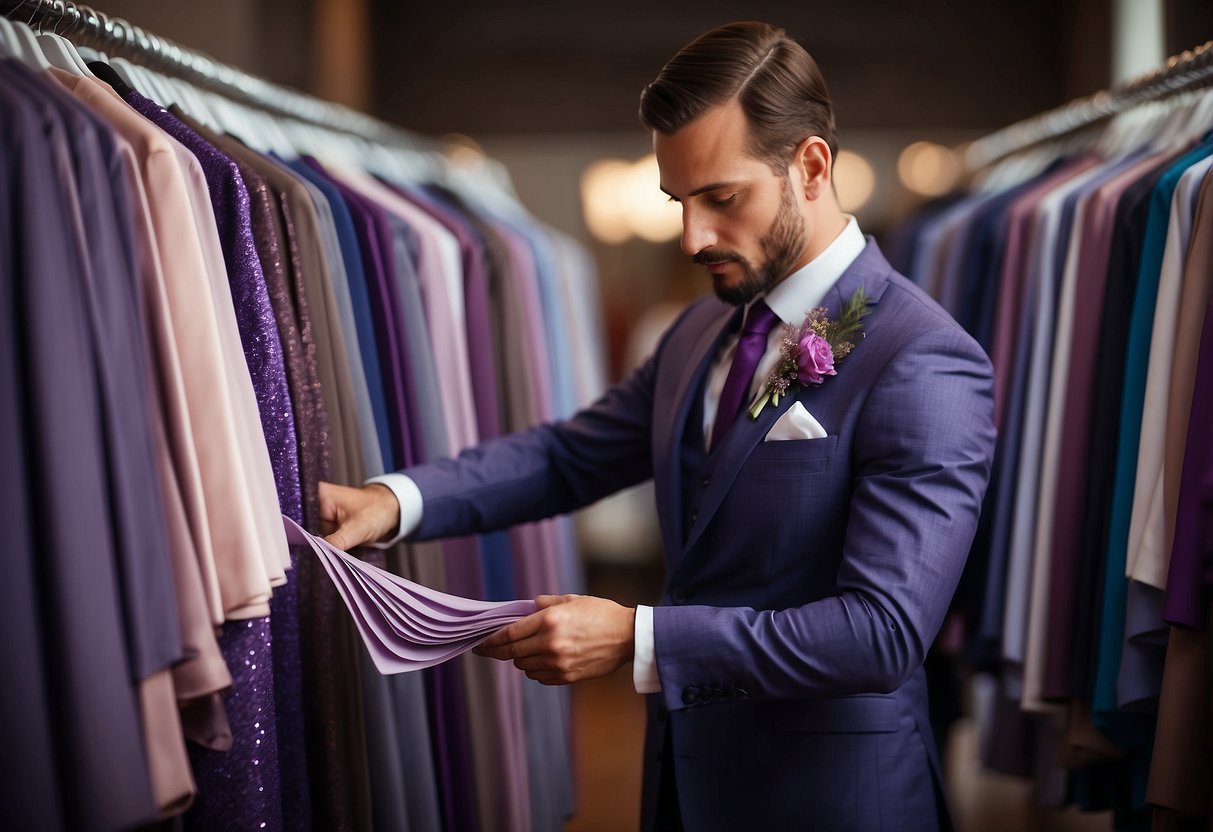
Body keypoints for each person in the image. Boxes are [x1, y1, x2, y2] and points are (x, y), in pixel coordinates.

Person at [320, 20, 995, 831]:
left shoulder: (920, 357)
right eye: (679, 202)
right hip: (682, 785)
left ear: (811, 167)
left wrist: (638, 641)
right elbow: (569, 456)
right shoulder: (697, 332)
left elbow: (881, 633)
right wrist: (393, 501)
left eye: (721, 198)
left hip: (834, 798)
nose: (692, 237)